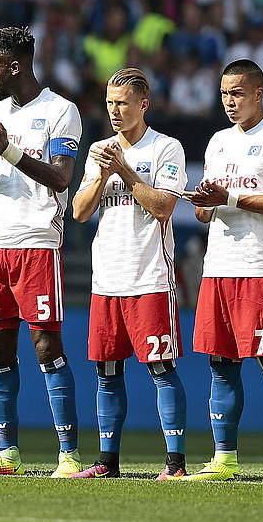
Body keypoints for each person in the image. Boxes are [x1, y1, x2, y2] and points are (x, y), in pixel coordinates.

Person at [0, 27, 84, 478]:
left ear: (15, 66)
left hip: (37, 242)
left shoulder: (62, 111)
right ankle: (7, 453)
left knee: (46, 344)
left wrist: (3, 147)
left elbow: (61, 178)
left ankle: (68, 455)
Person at [180, 59, 263, 482]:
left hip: (260, 267)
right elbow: (202, 212)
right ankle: (224, 458)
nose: (229, 101)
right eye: (224, 93)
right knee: (221, 364)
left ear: (258, 93)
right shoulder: (216, 142)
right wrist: (204, 200)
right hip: (218, 267)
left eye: (237, 93)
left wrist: (227, 198)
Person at [71, 67, 189, 480]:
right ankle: (107, 462)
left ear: (144, 104)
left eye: (122, 103)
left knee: (161, 368)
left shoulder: (166, 149)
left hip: (149, 276)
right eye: (109, 103)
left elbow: (162, 207)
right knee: (106, 372)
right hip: (107, 279)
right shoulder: (100, 149)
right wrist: (103, 174)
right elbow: (80, 212)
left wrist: (123, 170)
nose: (115, 111)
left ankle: (175, 463)